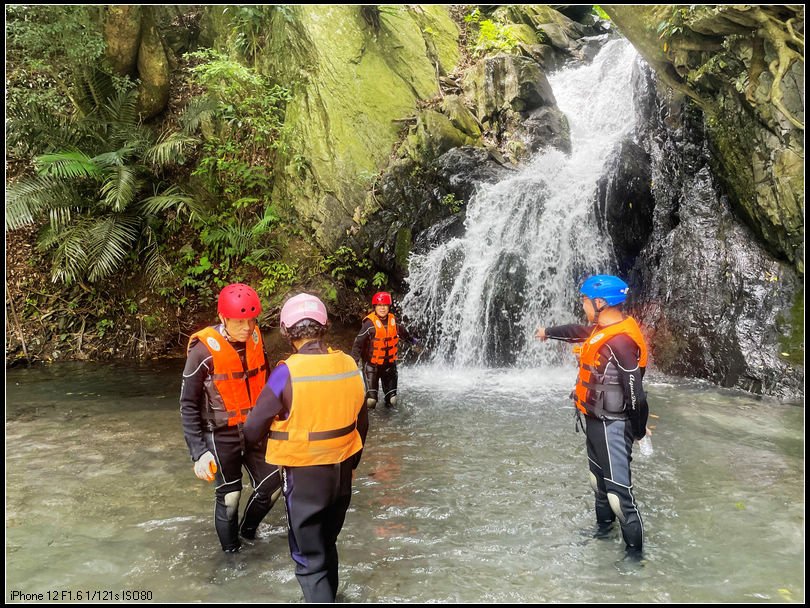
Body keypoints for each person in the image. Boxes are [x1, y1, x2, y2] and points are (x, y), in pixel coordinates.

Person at [243, 293, 368, 603]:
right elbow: (362, 424)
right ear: (324, 327)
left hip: (305, 477)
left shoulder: (286, 372)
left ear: (287, 332)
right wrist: (352, 466)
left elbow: (252, 427)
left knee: (308, 555)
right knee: (328, 542)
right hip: (342, 473)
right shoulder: (349, 364)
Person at [535, 274, 650, 554]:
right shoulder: (603, 329)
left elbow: (636, 394)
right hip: (595, 420)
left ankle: (635, 559)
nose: (583, 306)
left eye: (585, 300)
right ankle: (603, 535)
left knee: (619, 496)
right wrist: (548, 332)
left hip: (613, 424)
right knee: (598, 484)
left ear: (600, 302)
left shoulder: (622, 342)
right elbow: (577, 330)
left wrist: (638, 430)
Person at [180, 282, 282, 553]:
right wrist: (198, 452)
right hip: (220, 433)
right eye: (240, 322)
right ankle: (231, 553)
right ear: (224, 318)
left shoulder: (256, 339)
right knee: (230, 496)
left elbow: (269, 384)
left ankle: (248, 533)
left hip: (254, 429)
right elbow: (188, 405)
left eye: (251, 320)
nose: (247, 328)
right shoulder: (202, 352)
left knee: (273, 486)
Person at [351, 291, 419, 409]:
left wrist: (413, 342)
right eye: (379, 306)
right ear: (375, 307)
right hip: (372, 366)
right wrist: (353, 362)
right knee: (371, 401)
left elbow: (405, 334)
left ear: (388, 307)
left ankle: (392, 424)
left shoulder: (394, 322)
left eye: (385, 305)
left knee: (392, 401)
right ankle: (369, 422)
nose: (382, 308)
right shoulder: (369, 324)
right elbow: (358, 344)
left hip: (389, 366)